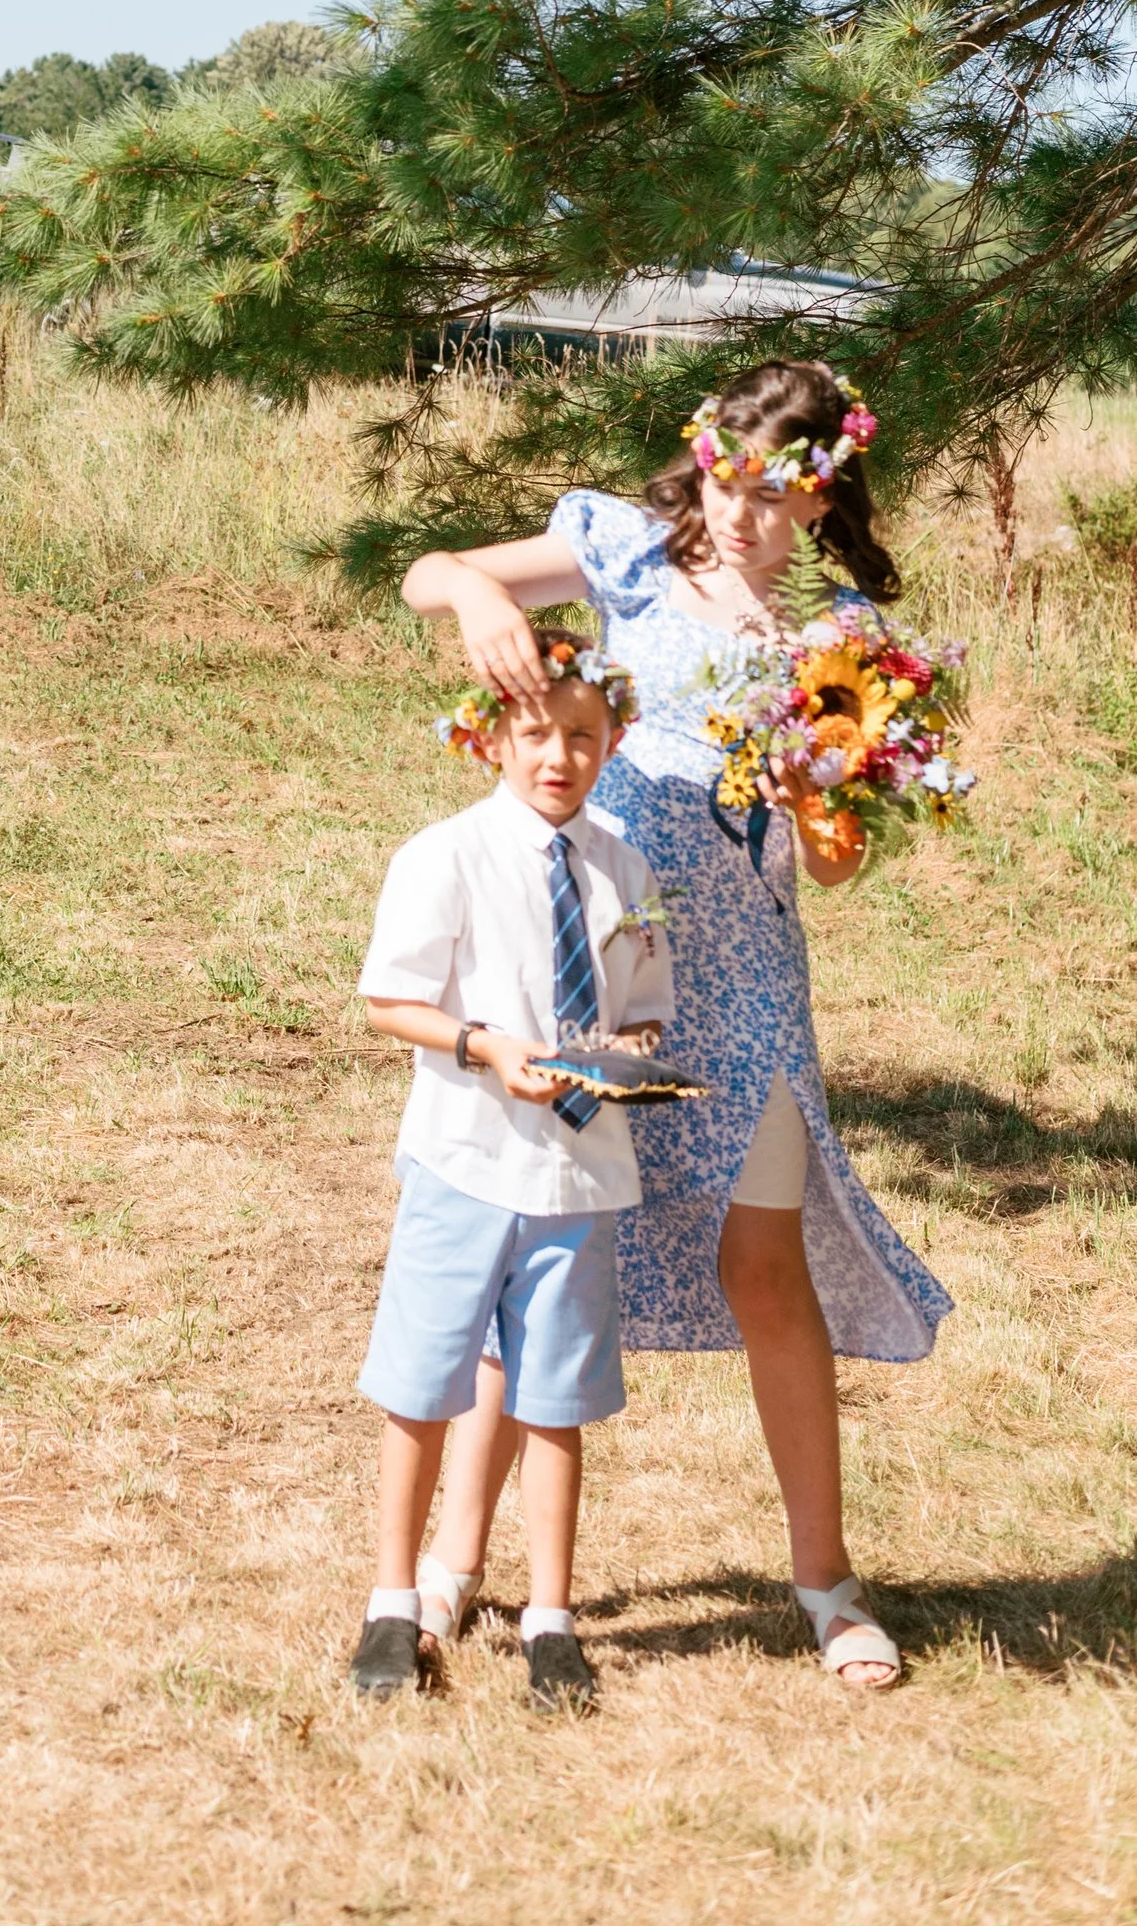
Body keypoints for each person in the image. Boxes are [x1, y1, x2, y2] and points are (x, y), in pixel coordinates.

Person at [400, 357, 948, 1692]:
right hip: (591, 958)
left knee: (767, 1268)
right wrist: (474, 587)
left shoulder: (842, 636)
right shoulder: (630, 555)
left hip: (751, 980)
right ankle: (449, 1569)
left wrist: (829, 798)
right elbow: (431, 572)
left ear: (827, 500)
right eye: (732, 486)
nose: (750, 519)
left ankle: (826, 1580)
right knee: (521, 1251)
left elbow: (830, 866)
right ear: (702, 461)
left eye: (780, 500)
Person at [351, 625, 674, 1711]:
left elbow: (641, 1014)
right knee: (422, 1381)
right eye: (535, 732)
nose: (558, 757)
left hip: (578, 1180)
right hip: (465, 1161)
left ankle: (550, 1617)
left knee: (554, 1399)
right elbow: (390, 1000)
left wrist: (616, 1065)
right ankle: (393, 1605)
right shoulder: (442, 855)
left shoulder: (625, 867)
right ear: (491, 734)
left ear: (611, 740)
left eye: (581, 736)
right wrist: (486, 1045)